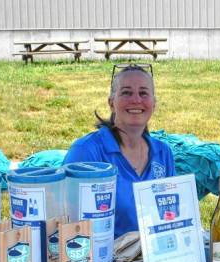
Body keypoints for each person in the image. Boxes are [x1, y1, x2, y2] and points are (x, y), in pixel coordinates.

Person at [63, 64, 175, 237]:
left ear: (154, 103)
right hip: (102, 261)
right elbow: (65, 221)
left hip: (154, 258)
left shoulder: (163, 153)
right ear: (111, 103)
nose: (136, 100)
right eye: (126, 92)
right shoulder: (86, 152)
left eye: (143, 93)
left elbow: (171, 216)